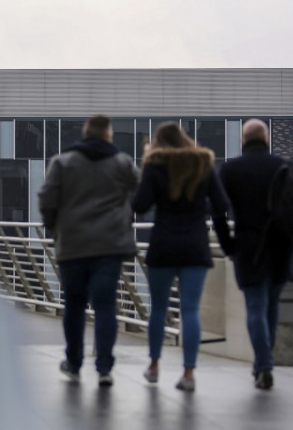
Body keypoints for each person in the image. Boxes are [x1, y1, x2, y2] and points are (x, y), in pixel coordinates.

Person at [38, 115, 139, 387]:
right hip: (110, 245)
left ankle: (73, 362)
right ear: (108, 134)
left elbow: (47, 198)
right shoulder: (122, 162)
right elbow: (140, 192)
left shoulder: (63, 162)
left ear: (85, 133)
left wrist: (54, 228)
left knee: (74, 304)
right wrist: (124, 218)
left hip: (73, 244)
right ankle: (104, 367)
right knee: (105, 305)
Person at [132, 122, 233, 392]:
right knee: (190, 311)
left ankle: (154, 366)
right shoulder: (203, 164)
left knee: (159, 309)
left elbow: (139, 205)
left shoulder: (155, 166)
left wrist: (147, 167)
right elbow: (221, 207)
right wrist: (226, 243)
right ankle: (189, 373)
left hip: (163, 243)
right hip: (195, 245)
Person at [219, 118, 293, 390]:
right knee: (272, 306)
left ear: (243, 141)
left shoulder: (230, 170)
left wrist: (228, 244)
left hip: (248, 247)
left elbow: (217, 211)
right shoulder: (284, 166)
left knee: (255, 306)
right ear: (266, 139)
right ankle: (263, 362)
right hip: (281, 246)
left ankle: (263, 364)